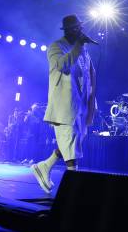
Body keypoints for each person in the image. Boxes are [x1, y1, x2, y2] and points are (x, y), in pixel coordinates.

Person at [31, 14, 97, 193]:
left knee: (73, 142)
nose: (80, 31)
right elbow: (62, 65)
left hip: (81, 106)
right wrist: (79, 46)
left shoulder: (83, 50)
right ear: (67, 30)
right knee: (70, 144)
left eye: (80, 27)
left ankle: (45, 166)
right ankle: (73, 188)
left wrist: (92, 102)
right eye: (76, 28)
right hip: (64, 106)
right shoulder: (55, 47)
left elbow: (90, 75)